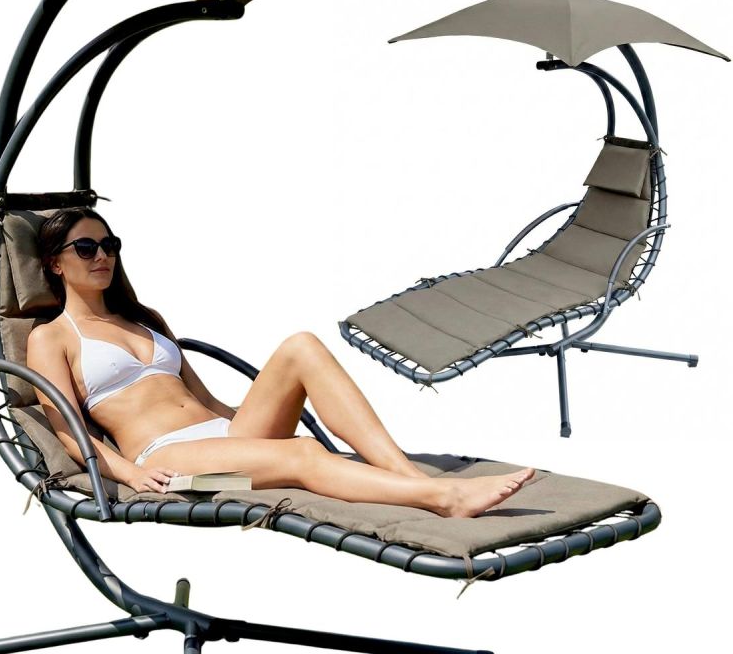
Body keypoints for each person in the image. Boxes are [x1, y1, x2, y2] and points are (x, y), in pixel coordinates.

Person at [27, 208, 535, 518]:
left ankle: (408, 475)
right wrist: (129, 475)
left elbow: (202, 400)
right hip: (175, 470)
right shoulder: (51, 337)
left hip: (224, 441)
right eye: (86, 247)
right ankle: (443, 499)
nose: (102, 256)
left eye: (109, 245)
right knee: (303, 454)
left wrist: (249, 427)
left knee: (301, 346)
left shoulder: (146, 319)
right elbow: (69, 429)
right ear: (55, 263)